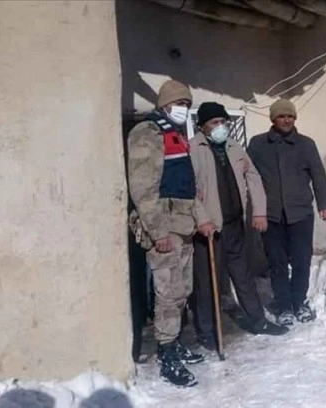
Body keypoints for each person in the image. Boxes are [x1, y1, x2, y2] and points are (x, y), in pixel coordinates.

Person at [127, 79, 204, 388]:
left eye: (187, 104)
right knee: (167, 293)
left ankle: (174, 343)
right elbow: (143, 189)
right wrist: (157, 231)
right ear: (163, 105)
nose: (183, 109)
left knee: (182, 290)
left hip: (183, 226)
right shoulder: (147, 133)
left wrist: (199, 219)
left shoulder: (176, 134)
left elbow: (186, 185)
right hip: (164, 228)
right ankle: (167, 352)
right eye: (179, 104)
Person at [189, 102, 289, 340]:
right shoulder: (193, 149)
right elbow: (188, 190)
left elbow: (253, 177)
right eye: (215, 123)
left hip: (234, 224)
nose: (221, 127)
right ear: (202, 126)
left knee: (244, 276)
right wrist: (201, 219)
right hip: (210, 228)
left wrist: (259, 211)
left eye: (224, 122)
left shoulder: (234, 147)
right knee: (208, 282)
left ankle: (258, 321)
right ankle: (207, 332)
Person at [247, 99, 326, 326]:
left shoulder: (306, 145)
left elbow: (318, 175)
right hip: (271, 214)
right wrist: (255, 211)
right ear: (273, 119)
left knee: (301, 260)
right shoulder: (258, 145)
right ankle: (284, 305)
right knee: (276, 262)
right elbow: (249, 177)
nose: (286, 120)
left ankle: (299, 302)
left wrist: (325, 204)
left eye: (290, 116)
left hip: (300, 213)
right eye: (281, 116)